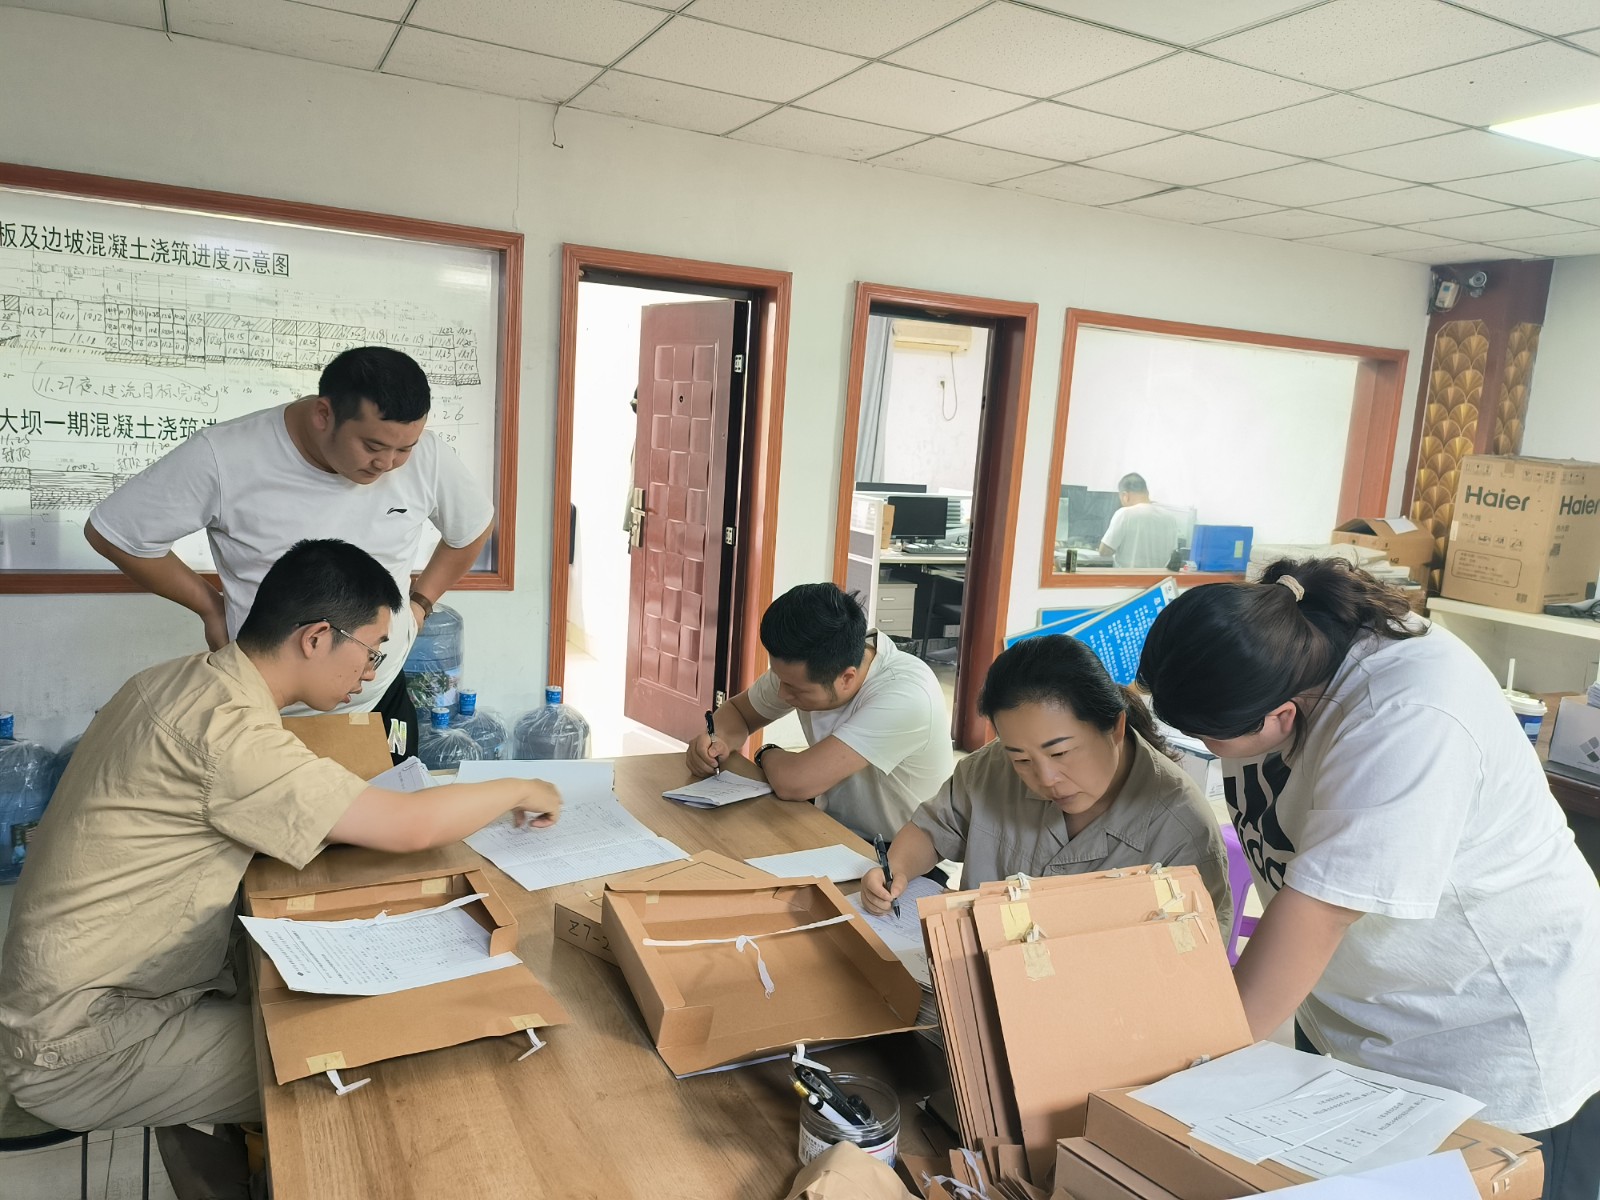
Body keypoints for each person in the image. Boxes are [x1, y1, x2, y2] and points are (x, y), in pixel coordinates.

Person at [0, 540, 560, 1145]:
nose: (372, 674)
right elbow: (410, 825)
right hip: (86, 1045)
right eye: (371, 651)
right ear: (316, 637)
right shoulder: (229, 733)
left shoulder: (180, 681)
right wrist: (522, 785)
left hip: (77, 1000)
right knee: (393, 1053)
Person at [1136, 557, 1600, 1200]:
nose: (1203, 749)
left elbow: (1320, 912)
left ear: (1281, 716)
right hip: (1365, 1004)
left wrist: (1178, 1081)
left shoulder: (1407, 713)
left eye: (1207, 738)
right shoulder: (1284, 649)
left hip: (1488, 1023)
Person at [85, 345, 494, 763]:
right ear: (324, 414)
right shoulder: (226, 454)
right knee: (281, 803)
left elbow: (472, 528)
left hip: (378, 694)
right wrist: (210, 607)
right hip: (268, 710)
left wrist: (421, 602)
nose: (387, 463)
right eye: (372, 445)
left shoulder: (427, 456)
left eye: (404, 449)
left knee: (390, 798)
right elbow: (115, 533)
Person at [860, 635, 1231, 929]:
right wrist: (896, 870)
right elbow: (933, 829)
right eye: (1021, 758)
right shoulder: (993, 767)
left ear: (1115, 728)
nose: (1045, 778)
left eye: (1061, 752)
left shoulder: (1181, 830)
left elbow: (1194, 963)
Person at [685, 583, 953, 843]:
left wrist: (765, 752)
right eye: (779, 678)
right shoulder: (810, 667)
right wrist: (715, 741)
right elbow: (739, 712)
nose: (782, 694)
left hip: (902, 854)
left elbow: (795, 782)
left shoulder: (906, 696)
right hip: (831, 829)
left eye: (794, 688)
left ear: (847, 678)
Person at [1099, 472, 1180, 569]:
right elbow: (1173, 553)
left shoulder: (1124, 514)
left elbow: (1104, 551)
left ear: (1125, 496)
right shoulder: (1170, 518)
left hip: (1129, 577)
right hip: (1160, 578)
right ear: (1147, 492)